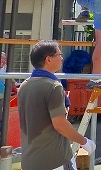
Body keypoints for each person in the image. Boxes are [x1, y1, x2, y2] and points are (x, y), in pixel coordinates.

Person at [18, 40, 96, 170]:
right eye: (59, 54)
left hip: (29, 160)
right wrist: (85, 142)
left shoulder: (24, 86)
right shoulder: (53, 87)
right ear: (48, 59)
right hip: (54, 161)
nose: (62, 58)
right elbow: (60, 125)